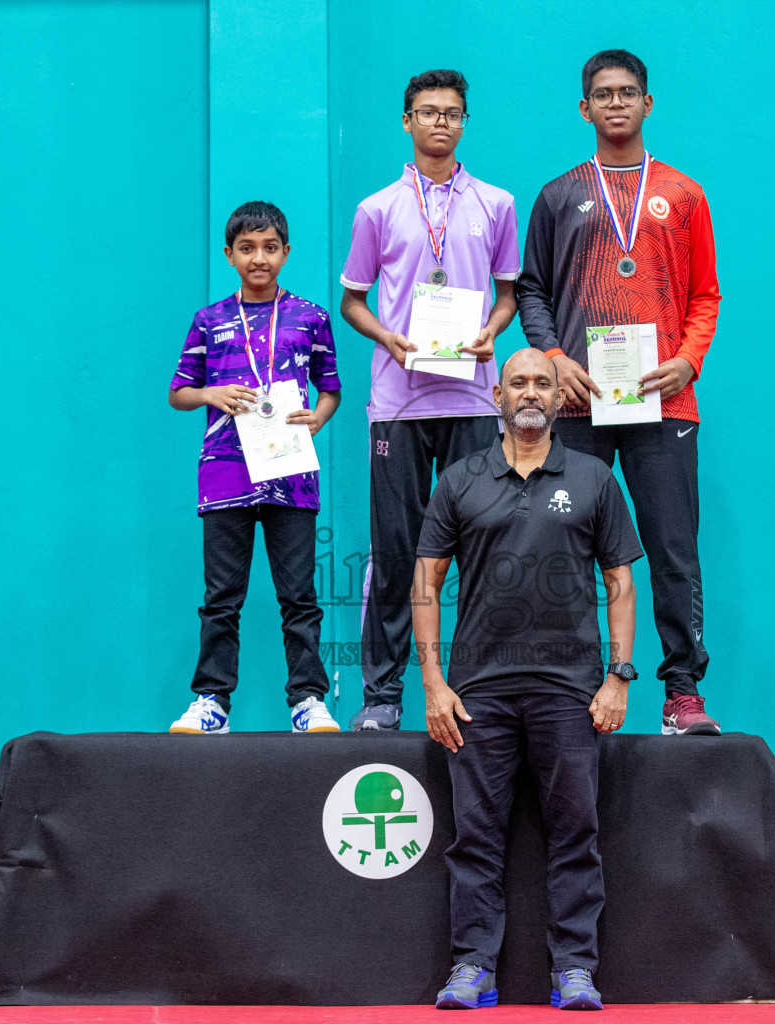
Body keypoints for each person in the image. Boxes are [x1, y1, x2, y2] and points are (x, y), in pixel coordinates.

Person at [415, 348, 641, 1011]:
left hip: (570, 691)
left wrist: (618, 678)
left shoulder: (596, 478)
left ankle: (574, 969)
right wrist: (432, 681)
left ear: (559, 398)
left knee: (575, 834)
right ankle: (472, 969)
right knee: (475, 838)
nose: (532, 392)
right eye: (519, 382)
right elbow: (424, 584)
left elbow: (622, 582)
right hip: (476, 693)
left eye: (543, 382)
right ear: (497, 395)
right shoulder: (458, 481)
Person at [516, 49, 723, 736]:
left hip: (663, 401)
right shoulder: (557, 194)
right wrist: (550, 357)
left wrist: (688, 362)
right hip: (578, 403)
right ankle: (570, 691)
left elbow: (704, 295)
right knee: (566, 546)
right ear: (584, 108)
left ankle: (682, 693)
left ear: (647, 103)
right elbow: (533, 290)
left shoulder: (685, 194)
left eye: (628, 92)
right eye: (602, 94)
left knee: (672, 547)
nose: (616, 103)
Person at [338, 68, 521, 731]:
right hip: (399, 402)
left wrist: (490, 334)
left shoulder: (497, 204)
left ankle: (479, 690)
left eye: (453, 113)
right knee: (397, 551)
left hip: (473, 399)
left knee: (482, 549)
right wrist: (389, 335)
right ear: (407, 121)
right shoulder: (377, 208)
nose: (441, 122)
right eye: (428, 111)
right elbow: (352, 301)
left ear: (464, 123)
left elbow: (506, 295)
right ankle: (382, 698)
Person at [166, 201, 343, 735]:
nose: (258, 257)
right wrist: (211, 393)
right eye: (247, 248)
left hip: (291, 472)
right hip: (224, 472)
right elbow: (178, 393)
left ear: (286, 253)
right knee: (221, 598)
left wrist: (317, 419)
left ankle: (308, 701)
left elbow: (331, 389)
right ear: (229, 255)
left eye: (269, 247)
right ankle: (211, 701)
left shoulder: (311, 316)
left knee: (299, 597)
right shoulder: (209, 319)